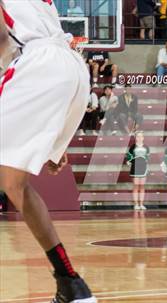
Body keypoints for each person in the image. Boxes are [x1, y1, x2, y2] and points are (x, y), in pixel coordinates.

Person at [0, 1, 96, 301]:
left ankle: (70, 281)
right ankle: (70, 283)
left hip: (38, 67)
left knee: (14, 184)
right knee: (14, 184)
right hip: (73, 70)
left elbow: (2, 40)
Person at [126, 132, 150, 210]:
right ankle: (136, 204)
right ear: (136, 138)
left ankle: (141, 204)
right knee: (136, 186)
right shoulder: (132, 147)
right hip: (135, 168)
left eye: (141, 136)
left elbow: (148, 157)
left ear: (143, 138)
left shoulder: (146, 147)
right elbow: (129, 156)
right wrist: (129, 161)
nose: (139, 138)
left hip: (143, 168)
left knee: (142, 186)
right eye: (138, 136)